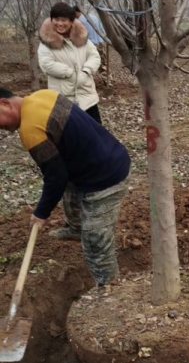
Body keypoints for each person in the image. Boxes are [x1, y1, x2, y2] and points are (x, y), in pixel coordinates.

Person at [0, 88, 130, 287]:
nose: (2, 128)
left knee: (95, 242)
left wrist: (41, 213)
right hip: (101, 157)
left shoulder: (30, 129)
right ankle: (76, 228)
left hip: (106, 178)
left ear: (4, 104)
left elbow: (55, 177)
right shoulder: (42, 95)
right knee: (70, 193)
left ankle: (108, 287)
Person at [38, 2, 102, 124]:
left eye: (64, 20)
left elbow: (95, 57)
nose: (60, 23)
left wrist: (86, 71)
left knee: (96, 133)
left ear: (71, 21)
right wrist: (71, 73)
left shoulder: (81, 38)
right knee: (70, 137)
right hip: (63, 100)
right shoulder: (47, 42)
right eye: (56, 19)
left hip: (87, 97)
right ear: (51, 20)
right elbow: (46, 64)